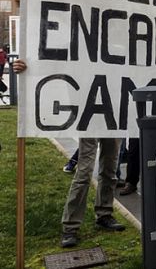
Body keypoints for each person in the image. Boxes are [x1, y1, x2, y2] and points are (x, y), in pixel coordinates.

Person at [13, 59, 126, 248]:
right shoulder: (81, 41)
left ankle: (104, 214)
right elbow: (54, 63)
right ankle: (71, 226)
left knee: (109, 168)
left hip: (114, 113)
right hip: (89, 114)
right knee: (84, 171)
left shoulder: (117, 44)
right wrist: (27, 68)